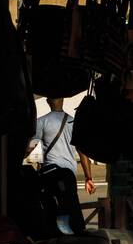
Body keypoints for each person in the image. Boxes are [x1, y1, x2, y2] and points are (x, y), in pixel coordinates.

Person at [26, 98, 95, 234]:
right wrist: (88, 177)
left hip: (50, 174)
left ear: (47, 101)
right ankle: (76, 235)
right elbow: (82, 152)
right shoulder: (73, 122)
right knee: (71, 207)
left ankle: (57, 238)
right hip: (69, 176)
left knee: (52, 209)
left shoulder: (41, 121)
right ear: (62, 100)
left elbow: (30, 148)